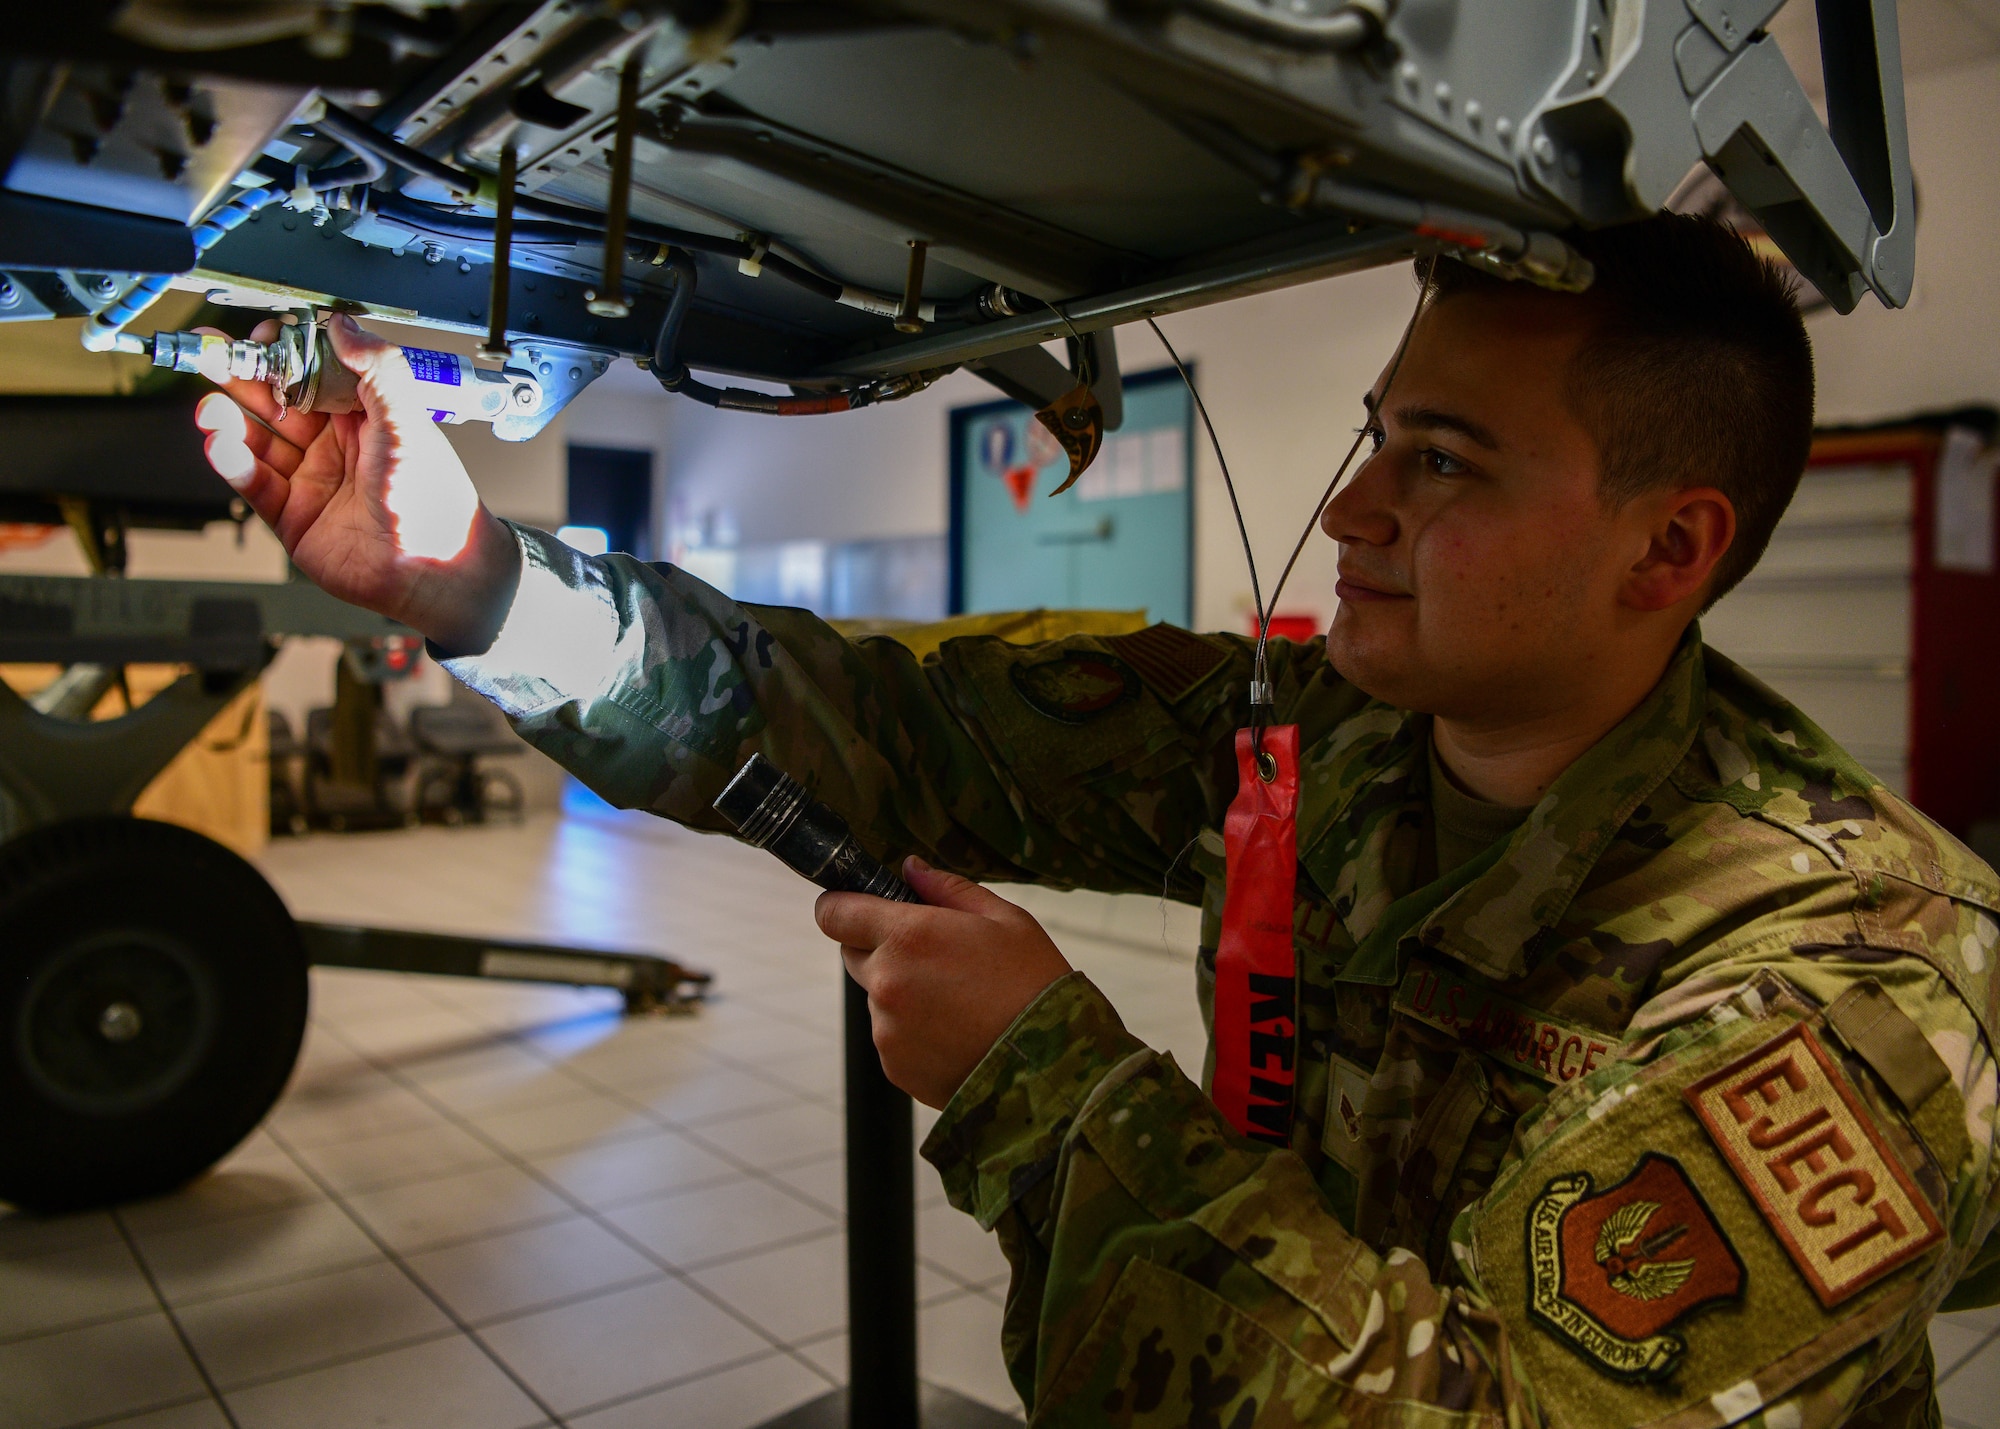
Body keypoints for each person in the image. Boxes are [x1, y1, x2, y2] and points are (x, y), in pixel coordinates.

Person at [196, 213, 1999, 1428]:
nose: (1355, 505)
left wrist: (1041, 1078)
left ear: (1667, 547)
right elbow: (878, 729)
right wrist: (474, 587)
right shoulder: (1312, 734)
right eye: (1376, 434)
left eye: (1443, 462)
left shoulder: (1860, 980)